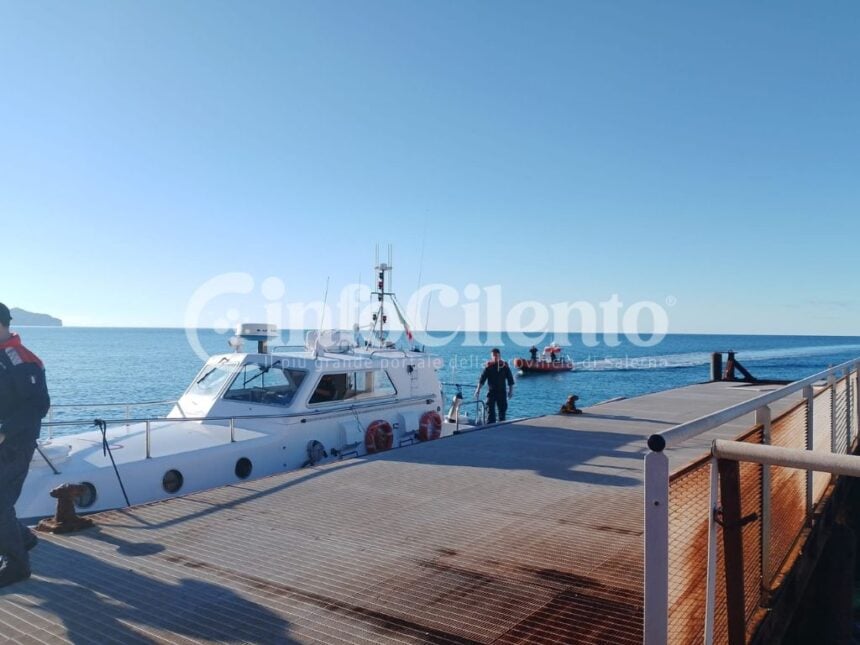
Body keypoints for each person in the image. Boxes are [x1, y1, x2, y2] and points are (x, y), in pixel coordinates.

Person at [0, 303, 50, 588]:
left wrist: (4, 432)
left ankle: (16, 566)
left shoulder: (21, 359)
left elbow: (38, 405)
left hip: (15, 443)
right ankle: (24, 538)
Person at [475, 348, 514, 424]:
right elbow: (482, 379)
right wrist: (478, 389)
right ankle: (490, 426)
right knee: (490, 412)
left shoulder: (504, 366)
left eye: (496, 355)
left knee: (502, 413)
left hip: (502, 392)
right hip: (491, 392)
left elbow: (510, 379)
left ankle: (502, 427)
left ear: (499, 356)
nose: (495, 357)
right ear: (491, 356)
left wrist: (510, 391)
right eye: (493, 355)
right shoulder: (488, 367)